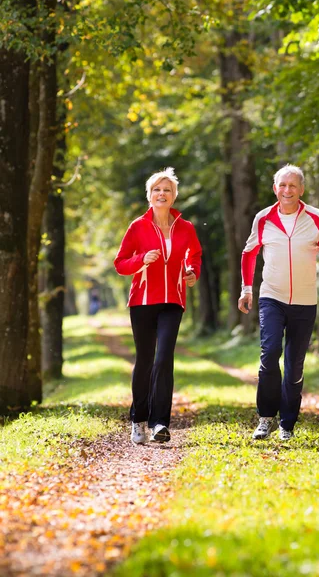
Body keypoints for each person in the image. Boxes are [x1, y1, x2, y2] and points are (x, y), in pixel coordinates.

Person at [238, 164, 319, 441]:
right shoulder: (263, 218)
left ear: (302, 189)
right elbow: (249, 254)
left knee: (295, 365)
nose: (287, 190)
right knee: (270, 352)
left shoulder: (316, 217)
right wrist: (246, 289)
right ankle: (265, 418)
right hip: (271, 296)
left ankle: (287, 424)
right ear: (275, 189)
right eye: (282, 185)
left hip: (305, 302)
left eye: (293, 185)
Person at [114, 167, 202, 445]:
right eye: (157, 190)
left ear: (174, 196)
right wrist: (141, 259)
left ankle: (160, 422)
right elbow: (120, 263)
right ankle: (138, 419)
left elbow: (195, 255)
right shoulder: (137, 227)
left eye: (167, 190)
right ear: (149, 196)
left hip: (173, 301)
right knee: (145, 360)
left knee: (164, 358)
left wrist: (191, 272)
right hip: (142, 301)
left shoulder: (185, 228)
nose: (161, 194)